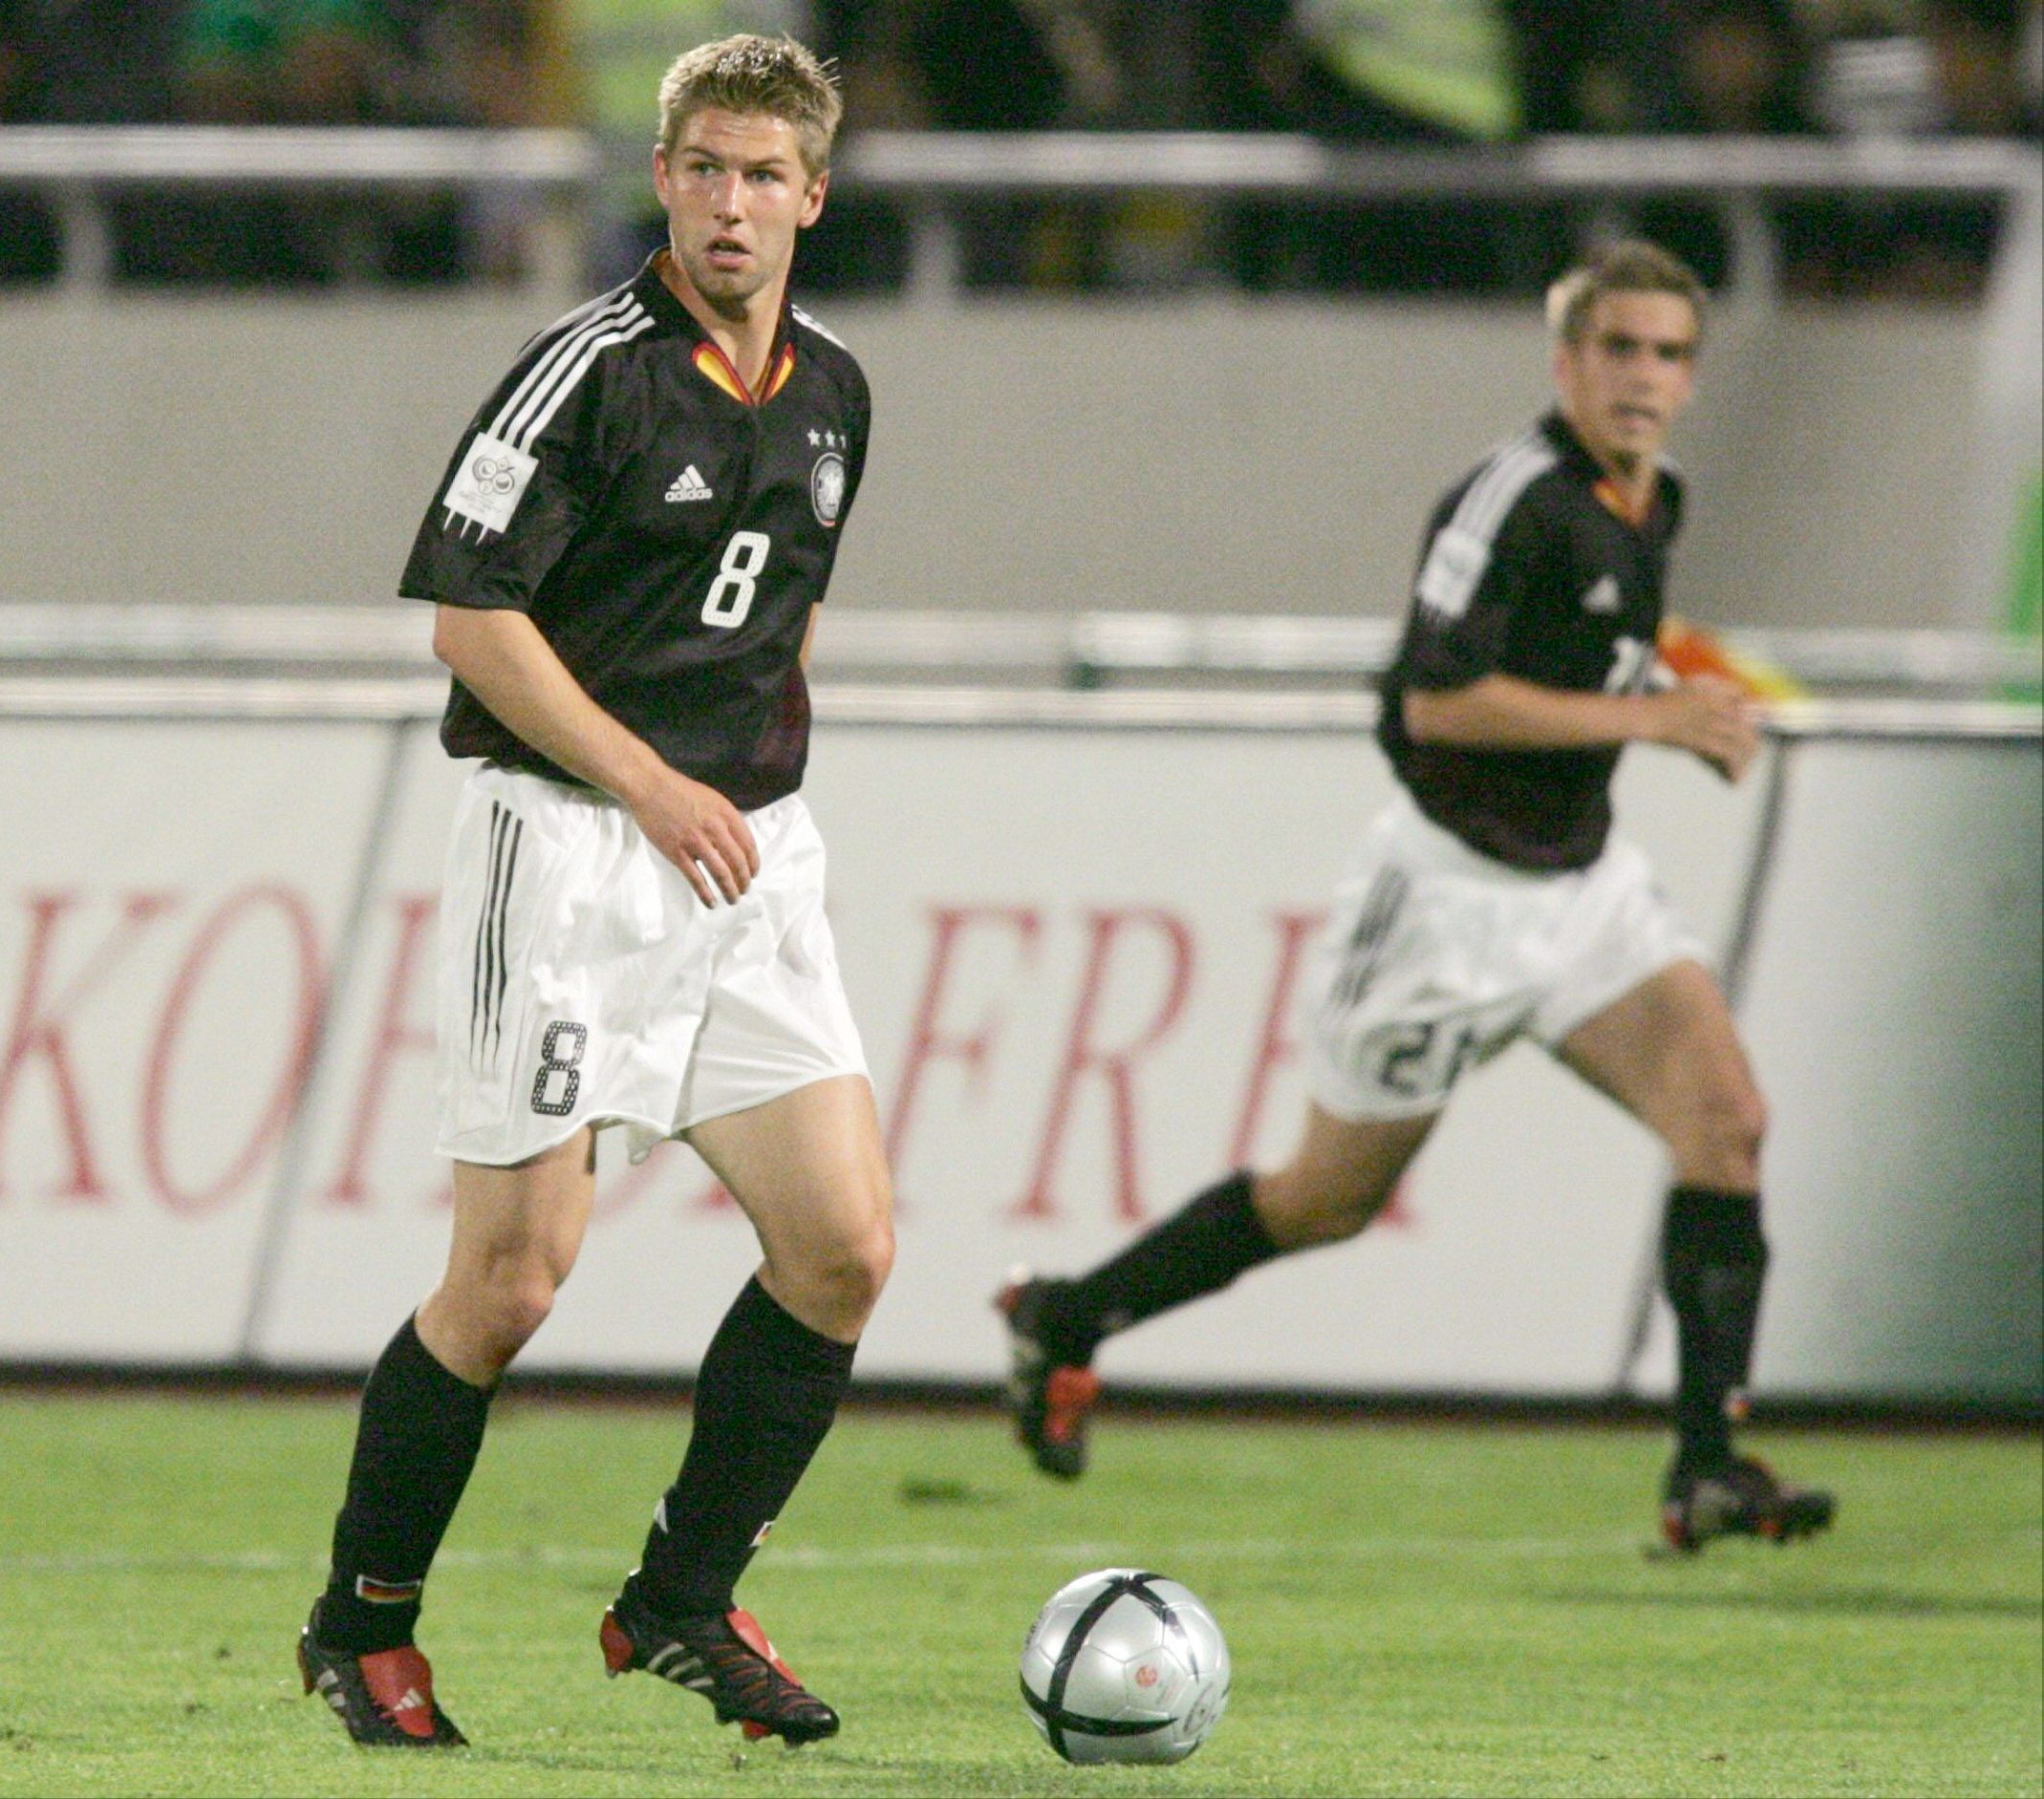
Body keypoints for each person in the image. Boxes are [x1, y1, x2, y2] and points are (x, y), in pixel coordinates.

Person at [998, 239, 1836, 1556]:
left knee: (1726, 1124)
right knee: (1323, 1200)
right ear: (1565, 361)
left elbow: (1590, 649)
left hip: (1582, 892)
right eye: (1617, 348)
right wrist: (1655, 718)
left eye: (1669, 354)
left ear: (1690, 376)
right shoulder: (1506, 499)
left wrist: (1685, 702)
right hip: (1444, 902)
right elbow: (1437, 700)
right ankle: (1068, 1315)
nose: (1643, 376)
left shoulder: (1653, 500)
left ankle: (1707, 1470)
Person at [297, 33, 892, 1748]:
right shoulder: (587, 371)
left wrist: (742, 783)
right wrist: (649, 779)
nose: (730, 204)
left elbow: (781, 604)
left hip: (746, 858)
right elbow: (469, 617)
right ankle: (362, 1625)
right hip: (567, 846)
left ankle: (680, 1600)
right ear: (662, 180)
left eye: (763, 176)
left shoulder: (838, 391)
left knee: (842, 1250)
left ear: (812, 197)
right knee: (510, 1281)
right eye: (703, 169)